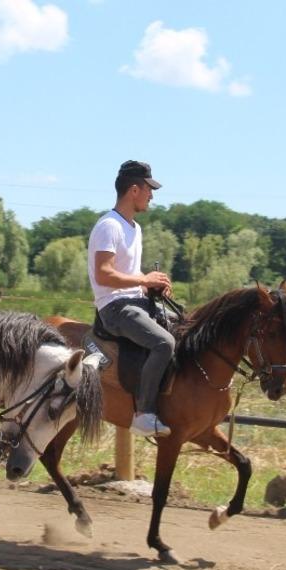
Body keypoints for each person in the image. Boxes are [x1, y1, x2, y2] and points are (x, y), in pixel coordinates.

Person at [87, 160, 175, 438]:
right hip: (114, 309)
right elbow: (104, 275)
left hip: (134, 301)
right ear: (134, 190)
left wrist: (152, 285)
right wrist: (143, 280)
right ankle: (143, 414)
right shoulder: (109, 226)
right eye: (149, 189)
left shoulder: (134, 228)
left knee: (183, 328)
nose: (152, 195)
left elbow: (129, 272)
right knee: (164, 343)